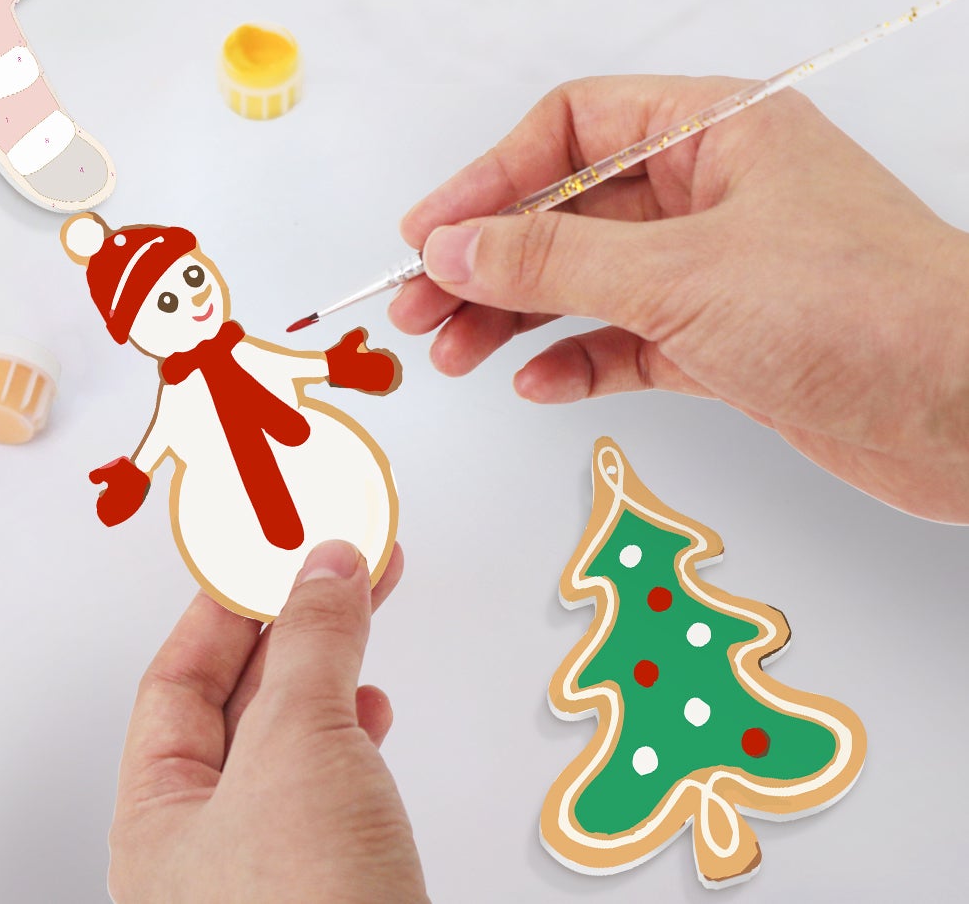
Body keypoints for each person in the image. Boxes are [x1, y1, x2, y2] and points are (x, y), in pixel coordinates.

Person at [108, 78, 969, 902]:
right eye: (163, 298)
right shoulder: (184, 388)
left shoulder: (246, 352)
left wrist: (344, 364)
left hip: (313, 476)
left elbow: (298, 367)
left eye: (188, 279)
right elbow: (163, 440)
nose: (188, 298)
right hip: (246, 518)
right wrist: (131, 471)